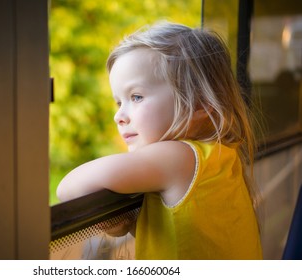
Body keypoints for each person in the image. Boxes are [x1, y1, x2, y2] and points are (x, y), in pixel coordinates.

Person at [57, 21, 263, 260]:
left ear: (198, 104)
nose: (118, 116)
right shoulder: (219, 155)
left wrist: (121, 224)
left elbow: (68, 188)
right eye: (118, 102)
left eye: (136, 97)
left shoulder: (179, 157)